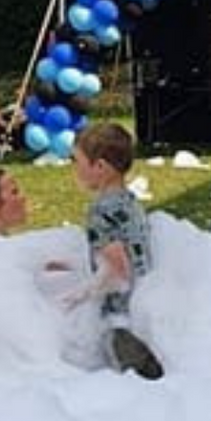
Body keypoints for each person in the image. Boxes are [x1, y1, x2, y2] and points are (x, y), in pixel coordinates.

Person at [64, 121, 163, 378]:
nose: (73, 168)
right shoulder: (130, 202)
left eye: (77, 161)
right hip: (143, 302)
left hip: (120, 316)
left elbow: (117, 272)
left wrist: (81, 295)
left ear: (100, 167)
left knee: (132, 383)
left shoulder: (100, 212)